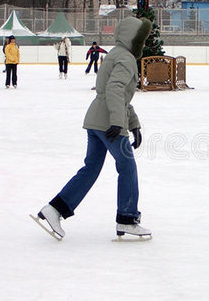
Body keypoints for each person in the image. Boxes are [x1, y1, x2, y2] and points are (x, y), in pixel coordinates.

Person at [36, 17, 152, 240]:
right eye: (142, 39)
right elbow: (116, 90)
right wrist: (119, 123)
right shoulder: (126, 58)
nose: (144, 43)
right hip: (109, 122)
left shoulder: (116, 54)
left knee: (91, 169)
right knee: (127, 168)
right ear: (133, 38)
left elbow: (120, 96)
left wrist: (134, 123)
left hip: (96, 120)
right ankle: (127, 218)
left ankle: (55, 209)